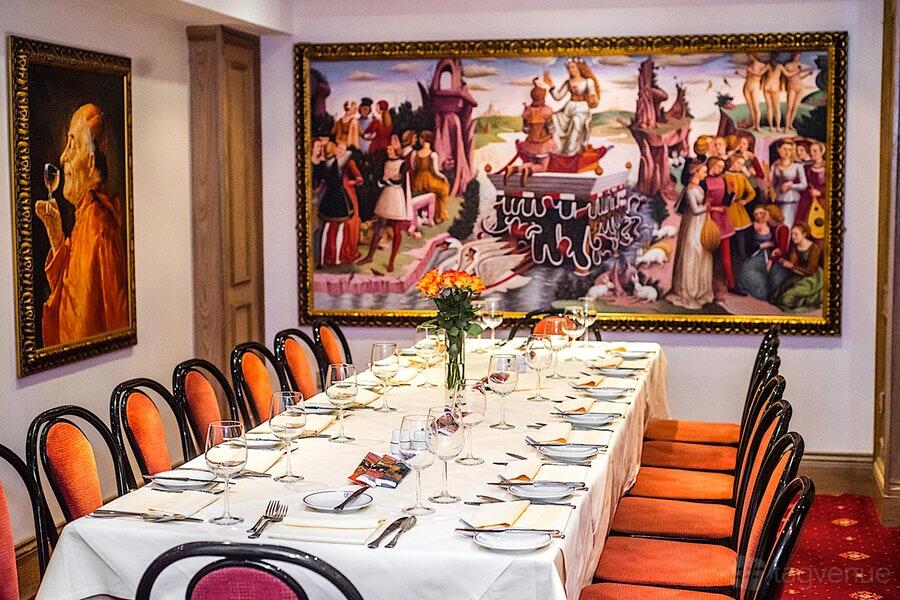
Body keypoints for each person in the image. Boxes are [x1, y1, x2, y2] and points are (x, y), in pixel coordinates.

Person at [35, 103, 129, 347]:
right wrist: (56, 237)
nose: (63, 156)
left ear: (90, 159)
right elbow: (70, 296)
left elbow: (117, 322)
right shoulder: (85, 218)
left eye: (73, 145)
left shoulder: (99, 226)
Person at [357, 138, 413, 272]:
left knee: (397, 229)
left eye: (390, 149)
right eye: (387, 149)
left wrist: (387, 182)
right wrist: (383, 182)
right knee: (378, 227)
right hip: (386, 194)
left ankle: (391, 261)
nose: (388, 151)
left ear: (396, 150)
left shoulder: (402, 163)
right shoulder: (386, 162)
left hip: (396, 196)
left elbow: (399, 181)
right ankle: (370, 256)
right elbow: (383, 179)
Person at [668, 163, 713, 310]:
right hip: (694, 224)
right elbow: (695, 209)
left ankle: (700, 290)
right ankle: (688, 290)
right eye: (703, 171)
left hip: (700, 223)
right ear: (695, 172)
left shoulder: (698, 187)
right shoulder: (691, 189)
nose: (706, 174)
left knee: (701, 252)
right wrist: (707, 206)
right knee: (693, 251)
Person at [543, 58, 599, 156]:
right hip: (569, 108)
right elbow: (558, 97)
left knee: (575, 121)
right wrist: (551, 85)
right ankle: (559, 148)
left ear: (579, 67)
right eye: (568, 68)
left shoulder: (588, 81)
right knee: (554, 118)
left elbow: (592, 92)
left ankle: (571, 152)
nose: (570, 70)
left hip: (581, 109)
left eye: (573, 67)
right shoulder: (568, 82)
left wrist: (593, 97)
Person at [505, 79, 557, 185]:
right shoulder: (546, 111)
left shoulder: (527, 111)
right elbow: (551, 129)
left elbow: (525, 130)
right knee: (542, 167)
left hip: (530, 144)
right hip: (544, 143)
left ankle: (515, 169)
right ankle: (529, 170)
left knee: (531, 162)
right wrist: (552, 134)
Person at [312, 141, 355, 266]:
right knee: (339, 228)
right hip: (338, 197)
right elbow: (349, 152)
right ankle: (336, 259)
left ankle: (321, 260)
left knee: (324, 229)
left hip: (328, 196)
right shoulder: (338, 162)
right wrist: (339, 151)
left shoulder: (322, 163)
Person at [736, 204, 790, 300]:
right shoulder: (751, 227)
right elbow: (748, 248)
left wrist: (772, 257)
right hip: (756, 255)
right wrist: (762, 245)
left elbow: (780, 246)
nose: (759, 216)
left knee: (776, 280)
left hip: (770, 255)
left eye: (762, 213)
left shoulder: (772, 226)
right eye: (756, 214)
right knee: (758, 284)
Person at [769, 222, 823, 311]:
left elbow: (810, 271)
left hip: (812, 278)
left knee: (787, 299)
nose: (793, 236)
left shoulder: (814, 248)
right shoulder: (795, 246)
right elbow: (792, 262)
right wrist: (779, 255)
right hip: (797, 274)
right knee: (775, 296)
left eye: (796, 234)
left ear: (804, 234)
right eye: (792, 234)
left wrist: (792, 266)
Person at [704, 157, 736, 296]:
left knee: (726, 254)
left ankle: (731, 284)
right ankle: (707, 284)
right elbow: (702, 203)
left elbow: (727, 201)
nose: (721, 169)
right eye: (719, 166)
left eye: (722, 167)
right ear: (711, 165)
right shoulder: (704, 181)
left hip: (723, 218)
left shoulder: (723, 180)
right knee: (708, 253)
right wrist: (714, 209)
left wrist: (732, 195)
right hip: (709, 218)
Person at [724, 154, 757, 278]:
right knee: (731, 243)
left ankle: (743, 270)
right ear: (731, 162)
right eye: (738, 163)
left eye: (742, 164)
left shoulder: (742, 176)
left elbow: (752, 192)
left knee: (742, 240)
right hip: (728, 210)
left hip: (740, 211)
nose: (740, 166)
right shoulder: (725, 176)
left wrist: (745, 201)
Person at [411, 130, 451, 224]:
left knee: (436, 190)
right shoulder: (433, 154)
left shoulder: (415, 153)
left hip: (418, 180)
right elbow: (436, 172)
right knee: (443, 188)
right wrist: (444, 178)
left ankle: (434, 215)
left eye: (420, 138)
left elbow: (414, 167)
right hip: (428, 180)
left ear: (422, 140)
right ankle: (439, 215)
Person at [770, 140, 808, 227]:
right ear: (778, 149)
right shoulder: (775, 165)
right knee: (777, 225)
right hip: (777, 199)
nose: (787, 152)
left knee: (786, 225)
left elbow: (804, 185)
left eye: (790, 150)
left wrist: (790, 186)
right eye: (784, 149)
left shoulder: (797, 166)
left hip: (790, 200)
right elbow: (772, 182)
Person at [337, 143, 363, 263]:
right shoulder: (332, 160)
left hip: (347, 192)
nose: (339, 150)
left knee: (351, 220)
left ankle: (349, 250)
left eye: (342, 149)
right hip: (335, 190)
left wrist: (349, 182)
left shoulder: (349, 162)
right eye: (338, 148)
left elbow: (359, 179)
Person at [796, 141, 827, 237]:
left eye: (815, 151)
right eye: (811, 151)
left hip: (822, 200)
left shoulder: (828, 167)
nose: (812, 153)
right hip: (807, 199)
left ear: (822, 152)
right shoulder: (807, 167)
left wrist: (820, 192)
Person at [783, 52, 814, 132]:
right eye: (796, 56)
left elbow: (799, 77)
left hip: (800, 87)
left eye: (799, 57)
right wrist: (799, 70)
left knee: (795, 107)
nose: (798, 59)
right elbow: (788, 76)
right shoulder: (788, 65)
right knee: (789, 107)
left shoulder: (799, 66)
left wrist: (807, 74)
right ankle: (786, 126)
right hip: (791, 87)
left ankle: (790, 125)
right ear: (793, 56)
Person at [737, 53, 767, 130]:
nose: (749, 57)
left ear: (754, 55)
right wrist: (739, 74)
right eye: (748, 56)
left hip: (755, 86)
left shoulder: (762, 65)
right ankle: (754, 125)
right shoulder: (749, 66)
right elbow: (747, 77)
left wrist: (751, 71)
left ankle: (758, 126)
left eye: (750, 55)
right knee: (750, 108)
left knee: (756, 107)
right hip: (746, 86)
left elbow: (760, 74)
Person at [762, 54, 785, 130]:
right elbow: (788, 74)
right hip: (775, 87)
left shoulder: (768, 65)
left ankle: (771, 127)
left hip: (767, 86)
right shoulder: (780, 66)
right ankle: (778, 127)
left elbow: (760, 73)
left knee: (769, 107)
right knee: (777, 108)